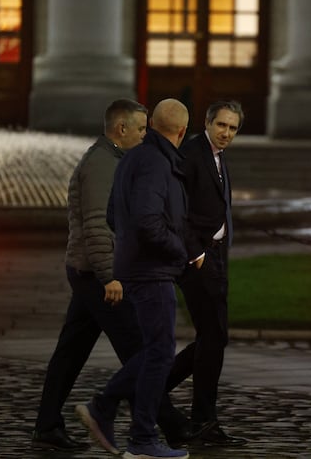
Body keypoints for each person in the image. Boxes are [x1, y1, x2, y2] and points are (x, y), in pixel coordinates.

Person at [76, 98, 191, 459]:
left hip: (138, 268)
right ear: (183, 132)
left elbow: (113, 216)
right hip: (151, 270)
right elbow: (147, 221)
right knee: (159, 353)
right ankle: (137, 436)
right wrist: (180, 249)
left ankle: (108, 408)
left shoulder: (132, 159)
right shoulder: (157, 162)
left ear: (152, 124)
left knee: (155, 350)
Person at [31, 99, 148, 451]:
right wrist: (110, 276)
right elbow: (98, 226)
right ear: (121, 129)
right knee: (143, 349)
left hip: (89, 272)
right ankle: (150, 421)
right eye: (141, 129)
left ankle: (47, 426)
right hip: (98, 276)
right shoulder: (102, 165)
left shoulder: (113, 160)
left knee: (71, 352)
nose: (145, 136)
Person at [167, 100, 247, 447]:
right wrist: (196, 254)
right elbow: (177, 209)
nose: (226, 133)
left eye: (232, 128)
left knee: (213, 338)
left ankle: (151, 390)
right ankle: (202, 419)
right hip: (199, 259)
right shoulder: (192, 153)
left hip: (215, 257)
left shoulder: (216, 155)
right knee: (214, 338)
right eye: (222, 126)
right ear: (208, 123)